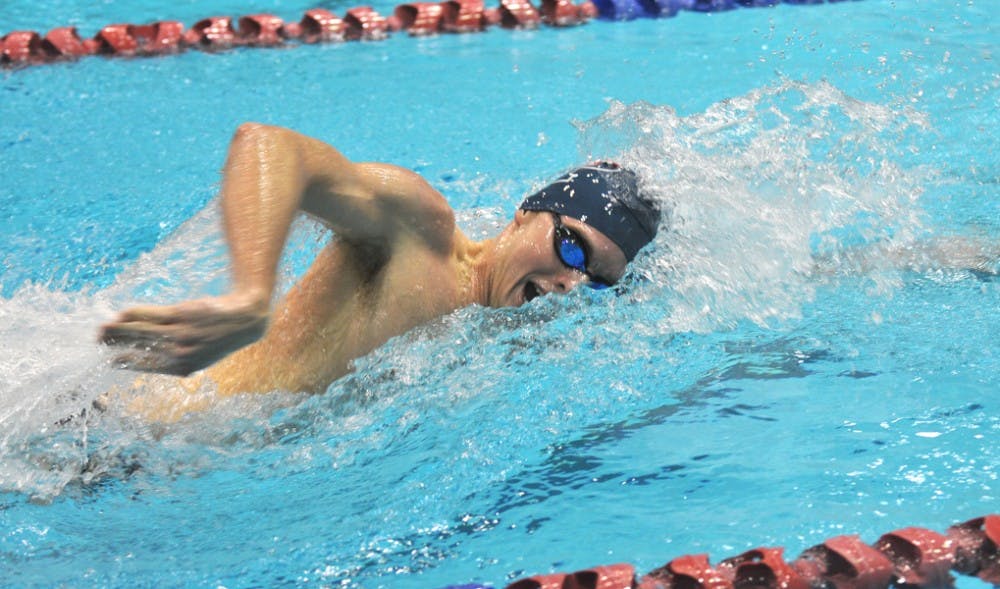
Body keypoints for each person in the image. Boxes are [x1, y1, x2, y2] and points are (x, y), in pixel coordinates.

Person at [99, 123, 661, 418]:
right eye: (571, 249)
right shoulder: (421, 235)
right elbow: (269, 147)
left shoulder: (508, 340)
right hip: (119, 429)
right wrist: (250, 294)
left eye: (596, 281)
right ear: (525, 213)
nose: (569, 285)